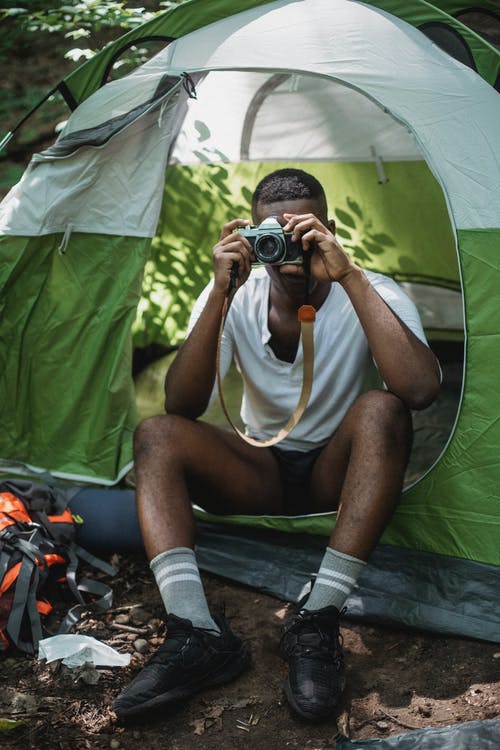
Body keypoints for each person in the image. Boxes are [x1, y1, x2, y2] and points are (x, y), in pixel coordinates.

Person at [113, 168, 441, 722]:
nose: (287, 251)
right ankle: (196, 632)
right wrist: (221, 290)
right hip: (257, 470)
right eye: (273, 236)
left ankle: (316, 620)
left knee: (384, 410)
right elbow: (183, 406)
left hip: (336, 477)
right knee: (155, 435)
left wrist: (349, 277)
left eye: (301, 233)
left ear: (329, 229)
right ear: (250, 237)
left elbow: (421, 390)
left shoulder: (371, 288)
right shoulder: (234, 292)